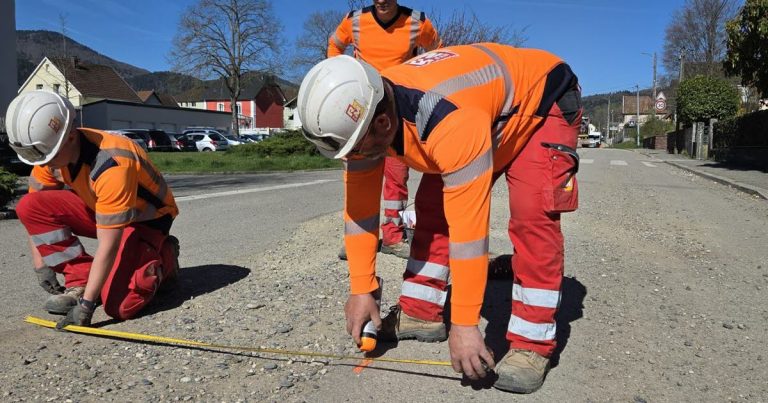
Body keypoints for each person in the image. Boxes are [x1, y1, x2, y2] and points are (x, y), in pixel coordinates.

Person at [298, 43, 582, 393]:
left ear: (384, 123)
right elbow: (360, 214)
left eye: (355, 151)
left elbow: (469, 233)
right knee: (432, 207)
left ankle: (532, 341)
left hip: (542, 101)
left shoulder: (447, 121)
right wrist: (361, 288)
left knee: (532, 217)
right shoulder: (369, 109)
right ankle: (421, 310)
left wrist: (465, 324)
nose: (354, 160)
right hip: (486, 111)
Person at [5, 90, 181, 329]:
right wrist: (41, 264)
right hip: (102, 209)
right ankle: (81, 279)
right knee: (30, 206)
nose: (44, 165)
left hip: (146, 221)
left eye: (49, 157)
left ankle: (165, 258)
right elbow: (33, 211)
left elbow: (109, 243)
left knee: (120, 306)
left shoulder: (111, 164)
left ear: (69, 136)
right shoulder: (51, 154)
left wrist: (87, 307)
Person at [329, 0, 441, 259]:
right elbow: (334, 45)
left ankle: (392, 236)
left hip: (399, 112)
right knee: (357, 179)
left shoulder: (417, 22)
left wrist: (422, 81)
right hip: (360, 111)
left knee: (397, 178)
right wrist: (340, 74)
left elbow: (437, 51)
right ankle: (356, 241)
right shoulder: (354, 21)